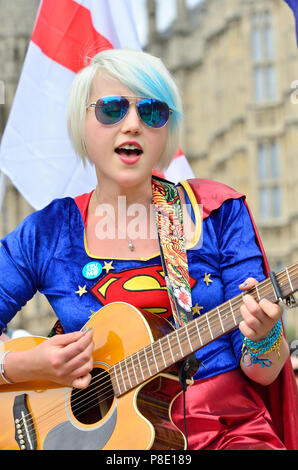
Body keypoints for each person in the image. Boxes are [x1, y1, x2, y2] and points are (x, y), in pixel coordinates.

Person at [0, 48, 297, 450]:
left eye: (153, 112)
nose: (133, 124)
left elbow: (262, 372)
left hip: (227, 432)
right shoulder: (50, 232)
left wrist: (263, 336)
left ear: (166, 131)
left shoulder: (217, 212)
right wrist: (24, 364)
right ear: (82, 125)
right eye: (111, 109)